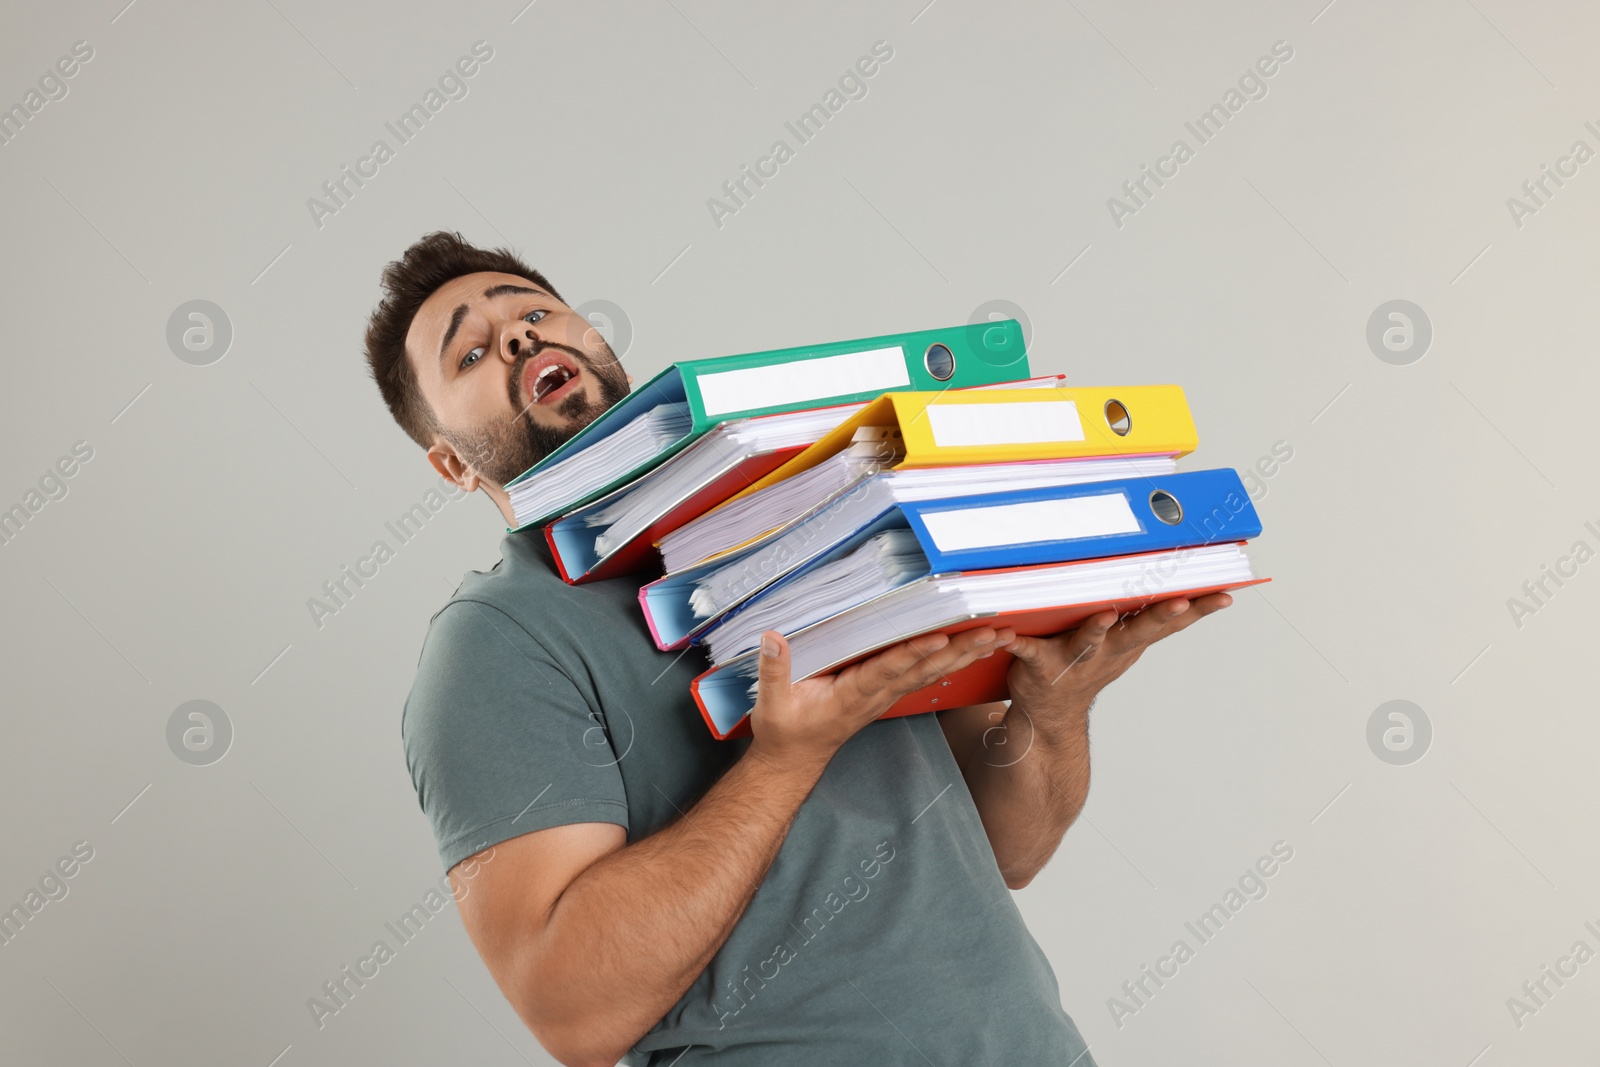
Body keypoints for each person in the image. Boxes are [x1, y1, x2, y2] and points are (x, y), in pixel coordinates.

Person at [365, 230, 1232, 1066]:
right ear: (450, 465)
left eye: (533, 311)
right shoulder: (493, 646)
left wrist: (1054, 707)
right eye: (469, 354)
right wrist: (785, 761)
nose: (517, 334)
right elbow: (574, 1014)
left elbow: (1013, 849)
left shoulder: (804, 518)